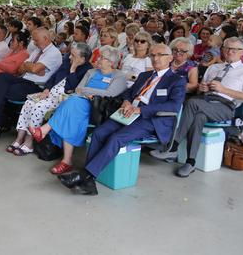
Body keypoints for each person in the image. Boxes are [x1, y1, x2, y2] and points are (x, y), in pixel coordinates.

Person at [58, 43, 186, 195]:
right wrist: (126, 101)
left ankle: (86, 175)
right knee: (99, 133)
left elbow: (173, 106)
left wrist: (140, 109)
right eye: (152, 55)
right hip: (128, 113)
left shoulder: (176, 80)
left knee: (116, 138)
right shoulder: (145, 76)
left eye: (160, 55)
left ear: (170, 58)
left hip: (151, 119)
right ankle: (89, 182)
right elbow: (128, 93)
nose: (155, 58)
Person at [150, 37, 243, 176]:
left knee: (193, 103)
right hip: (205, 101)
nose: (230, 51)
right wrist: (202, 88)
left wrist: (224, 90)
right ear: (223, 50)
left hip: (225, 106)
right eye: (226, 48)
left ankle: (173, 147)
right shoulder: (214, 67)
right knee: (198, 117)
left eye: (234, 49)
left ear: (242, 52)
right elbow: (199, 91)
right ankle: (191, 162)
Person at [29, 46, 127, 172]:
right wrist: (88, 92)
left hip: (97, 107)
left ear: (111, 62)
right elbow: (77, 89)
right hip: (79, 102)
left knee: (72, 102)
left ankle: (44, 130)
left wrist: (87, 92)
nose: (98, 59)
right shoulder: (91, 72)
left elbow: (109, 93)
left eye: (102, 57)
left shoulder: (119, 76)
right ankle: (66, 161)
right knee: (72, 113)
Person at [0, 28, 62, 138]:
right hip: (23, 80)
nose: (34, 42)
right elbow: (20, 69)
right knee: (2, 77)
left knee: (2, 90)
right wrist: (32, 67)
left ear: (46, 38)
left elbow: (33, 69)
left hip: (36, 86)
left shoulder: (53, 53)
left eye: (36, 40)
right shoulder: (37, 51)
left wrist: (30, 67)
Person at [6, 42, 93, 155]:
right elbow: (53, 77)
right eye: (70, 54)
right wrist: (46, 89)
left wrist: (73, 69)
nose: (70, 57)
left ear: (82, 58)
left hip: (63, 100)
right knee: (28, 103)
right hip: (50, 94)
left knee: (38, 108)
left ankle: (29, 142)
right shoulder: (66, 61)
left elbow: (73, 87)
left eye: (74, 56)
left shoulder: (87, 70)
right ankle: (19, 139)